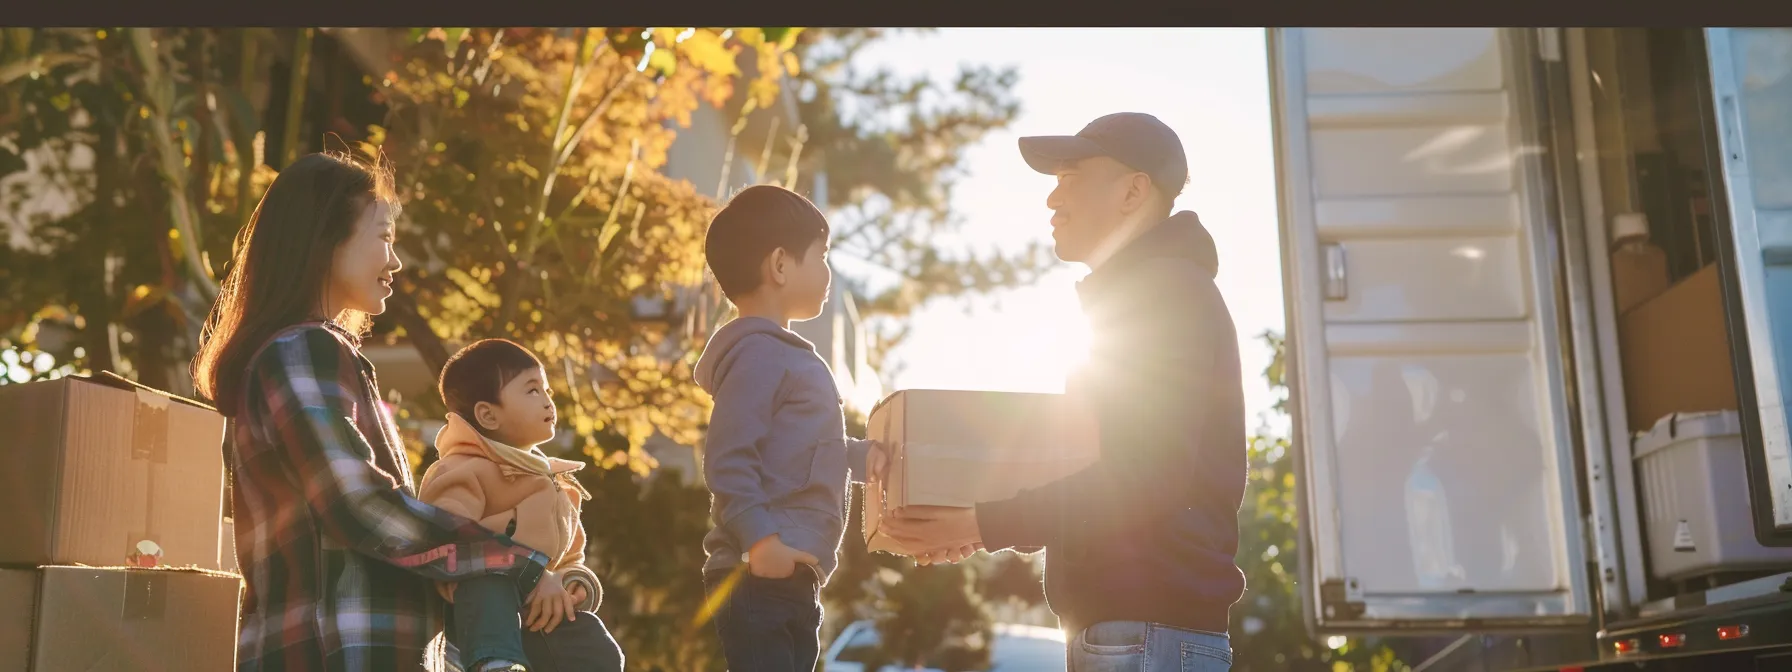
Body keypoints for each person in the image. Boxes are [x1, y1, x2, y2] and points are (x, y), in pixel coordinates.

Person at [878, 113, 1247, 671]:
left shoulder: (1165, 295)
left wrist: (983, 524)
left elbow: (1146, 476)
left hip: (1145, 635)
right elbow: (1108, 471)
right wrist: (980, 524)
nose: (1052, 199)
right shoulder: (1148, 295)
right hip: (1136, 633)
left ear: (1133, 190)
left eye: (1071, 175)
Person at [192, 152, 553, 672]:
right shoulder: (301, 350)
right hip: (333, 654)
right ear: (324, 239)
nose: (396, 261)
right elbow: (358, 503)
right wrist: (514, 563)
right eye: (383, 237)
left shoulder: (312, 354)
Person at [693, 184, 882, 671]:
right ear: (780, 265)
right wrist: (760, 541)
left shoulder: (788, 357)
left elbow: (815, 449)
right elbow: (729, 458)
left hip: (792, 571)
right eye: (822, 257)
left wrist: (865, 458)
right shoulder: (759, 354)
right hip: (756, 571)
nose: (828, 272)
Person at [421, 338, 626, 672]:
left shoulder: (555, 484)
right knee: (489, 585)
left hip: (537, 611)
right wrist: (530, 571)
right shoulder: (462, 470)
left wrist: (570, 583)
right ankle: (496, 663)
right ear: (488, 414)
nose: (548, 401)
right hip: (477, 610)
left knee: (597, 645)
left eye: (547, 390)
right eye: (532, 391)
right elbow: (450, 536)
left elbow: (571, 557)